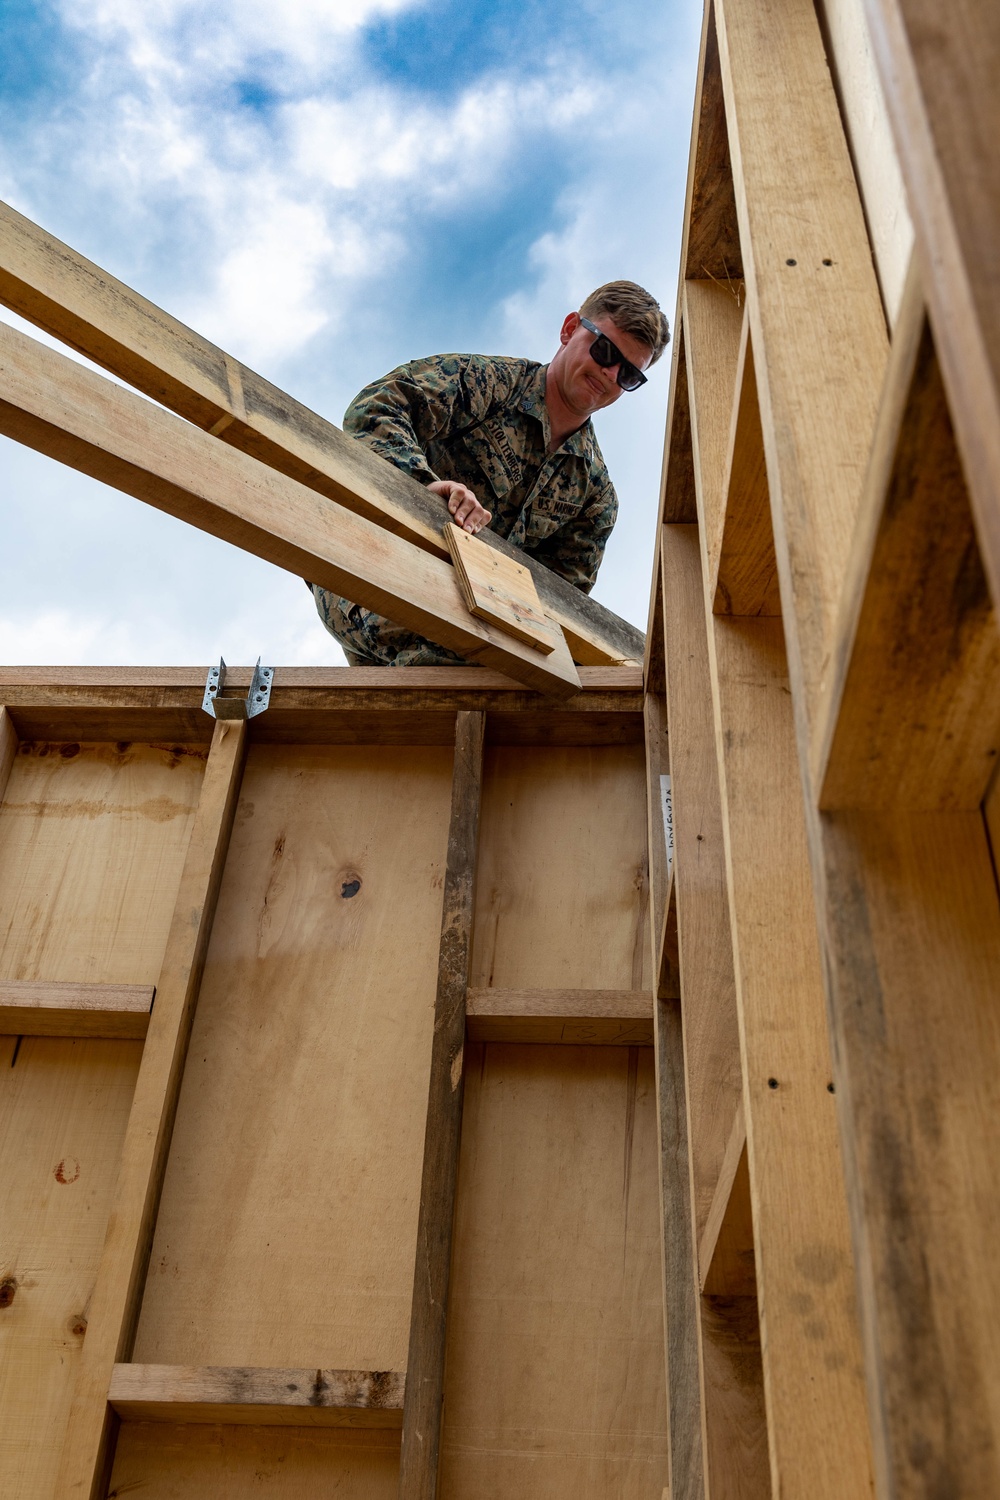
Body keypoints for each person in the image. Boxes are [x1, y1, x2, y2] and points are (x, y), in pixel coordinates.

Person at [309, 280, 670, 666]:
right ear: (569, 330)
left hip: (471, 639)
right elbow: (376, 409)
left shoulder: (594, 496)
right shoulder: (487, 384)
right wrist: (422, 486)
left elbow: (561, 606)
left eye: (629, 375)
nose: (611, 375)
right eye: (605, 351)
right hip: (375, 575)